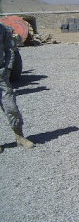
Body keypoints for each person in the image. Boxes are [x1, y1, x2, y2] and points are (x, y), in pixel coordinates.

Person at [0, 23, 34, 153]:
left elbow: (10, 50)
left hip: (1, 76)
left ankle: (19, 136)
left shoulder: (3, 29)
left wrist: (7, 69)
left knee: (11, 107)